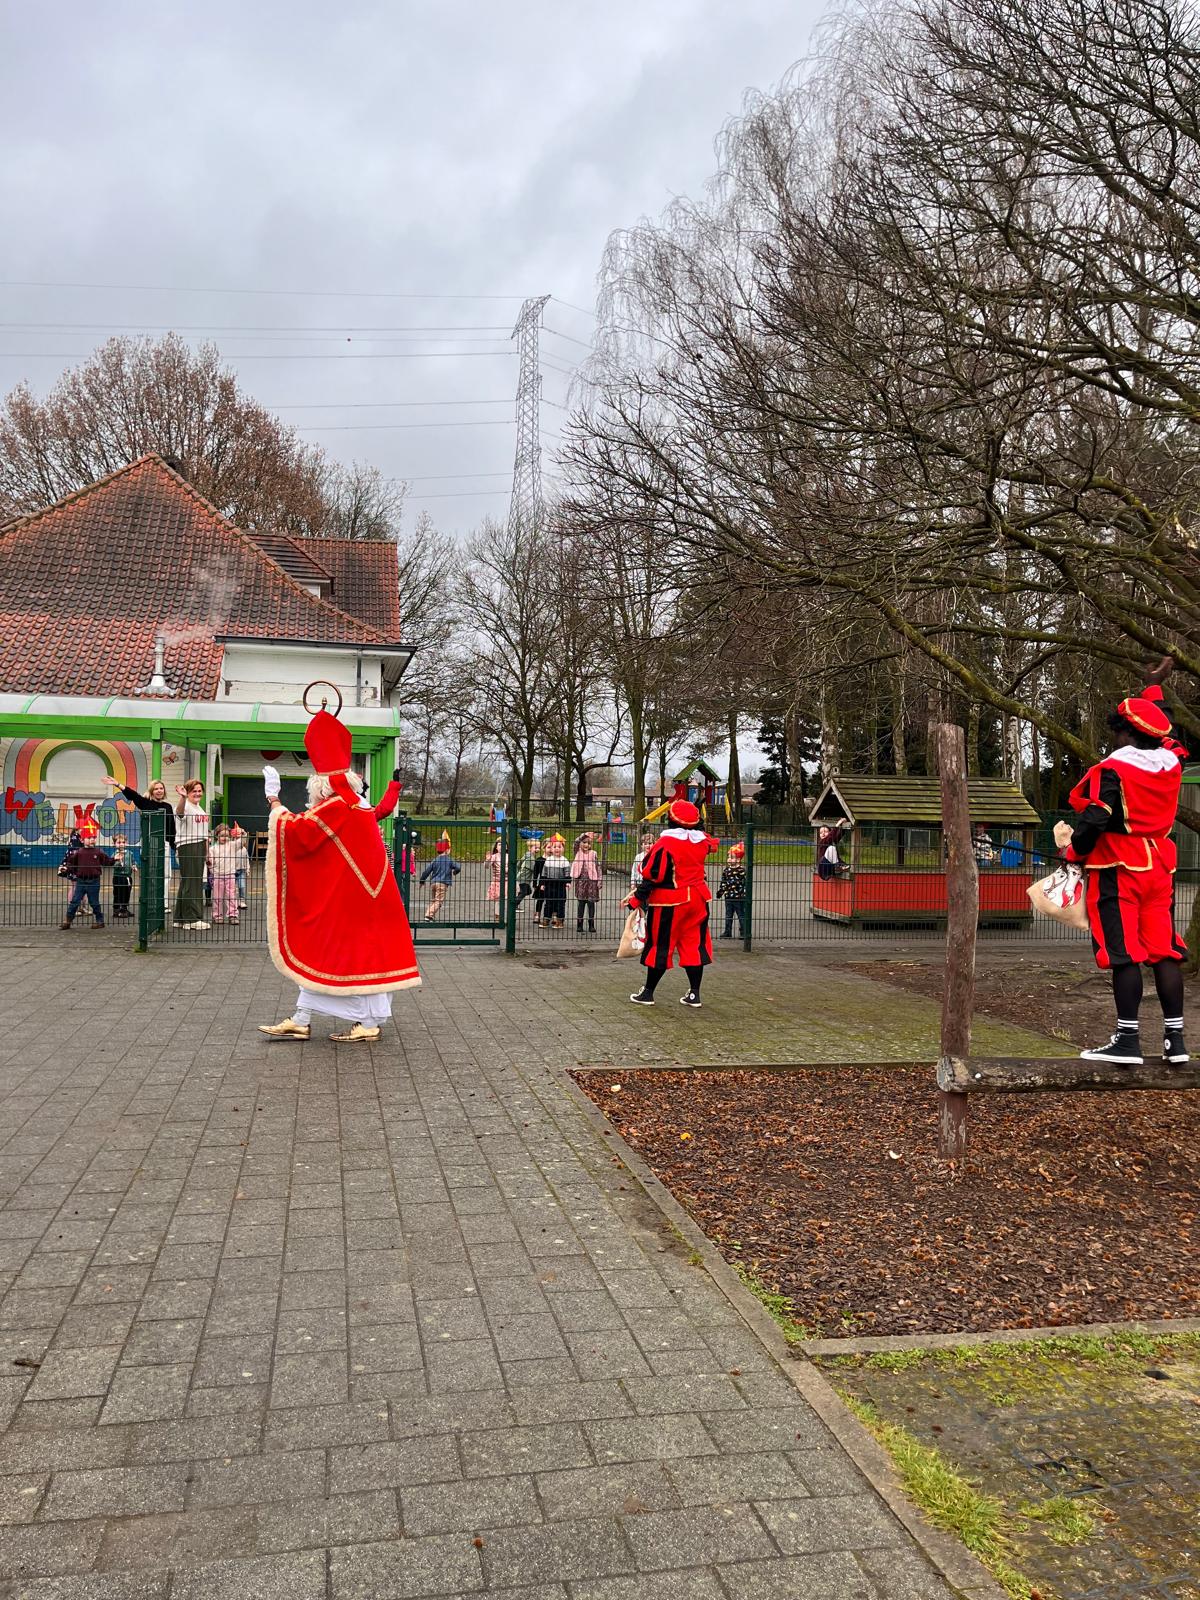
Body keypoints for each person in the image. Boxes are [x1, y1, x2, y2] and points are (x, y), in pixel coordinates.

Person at [257, 707, 420, 1043]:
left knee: (343, 960)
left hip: (351, 905)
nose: (310, 799)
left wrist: (273, 799)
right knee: (356, 961)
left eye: (311, 792)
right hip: (368, 901)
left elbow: (298, 831)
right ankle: (304, 1019)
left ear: (321, 788)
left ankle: (361, 1023)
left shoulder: (337, 807)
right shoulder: (357, 805)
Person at [1062, 679, 1188, 1066]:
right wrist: (1154, 692)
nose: (1114, 738)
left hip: (1119, 865)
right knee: (1163, 951)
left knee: (1123, 954)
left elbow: (1097, 816)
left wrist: (1073, 853)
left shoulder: (1113, 769)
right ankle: (1175, 1041)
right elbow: (1168, 735)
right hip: (1160, 867)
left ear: (1128, 733)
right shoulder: (1172, 763)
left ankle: (1127, 1040)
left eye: (1118, 730)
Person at [628, 798, 718, 1008]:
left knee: (660, 945)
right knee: (694, 944)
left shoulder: (666, 844)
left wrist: (636, 900)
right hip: (698, 900)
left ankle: (648, 993)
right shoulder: (701, 840)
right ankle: (694, 994)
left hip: (671, 902)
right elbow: (705, 835)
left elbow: (652, 875)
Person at [104, 775, 175, 911]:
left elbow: (171, 827)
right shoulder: (145, 803)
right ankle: (152, 902)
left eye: (161, 788)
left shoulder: (168, 806)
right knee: (152, 874)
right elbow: (133, 795)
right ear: (152, 791)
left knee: (166, 875)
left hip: (164, 844)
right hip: (150, 843)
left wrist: (173, 845)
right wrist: (118, 784)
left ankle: (163, 904)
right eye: (156, 789)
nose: (159, 791)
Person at [60, 824, 116, 930]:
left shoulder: (99, 852)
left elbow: (107, 862)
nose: (92, 840)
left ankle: (100, 921)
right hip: (81, 881)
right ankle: (68, 920)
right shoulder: (79, 853)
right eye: (89, 838)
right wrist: (66, 869)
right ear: (82, 839)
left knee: (94, 902)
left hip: (94, 881)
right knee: (75, 901)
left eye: (94, 838)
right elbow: (72, 865)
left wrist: (115, 859)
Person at [173, 781, 210, 929]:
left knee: (187, 881)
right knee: (193, 882)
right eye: (193, 791)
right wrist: (182, 798)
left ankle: (180, 918)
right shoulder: (186, 805)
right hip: (189, 845)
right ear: (187, 792)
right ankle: (192, 918)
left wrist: (207, 852)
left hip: (199, 844)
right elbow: (180, 813)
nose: (197, 794)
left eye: (200, 791)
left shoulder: (198, 807)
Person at [209, 824, 250, 925]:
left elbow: (242, 842)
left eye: (227, 836)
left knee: (231, 896)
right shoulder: (213, 849)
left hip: (230, 875)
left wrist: (243, 833)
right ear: (216, 836)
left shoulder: (232, 845)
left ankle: (233, 915)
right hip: (218, 875)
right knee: (217, 897)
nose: (225, 838)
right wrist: (213, 872)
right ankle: (217, 915)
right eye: (222, 835)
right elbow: (210, 862)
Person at [419, 837, 461, 921]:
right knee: (438, 901)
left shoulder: (435, 860)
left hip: (433, 883)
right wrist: (454, 872)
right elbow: (458, 867)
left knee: (434, 900)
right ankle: (428, 915)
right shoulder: (449, 860)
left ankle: (430, 916)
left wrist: (422, 881)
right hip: (442, 883)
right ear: (446, 850)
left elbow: (426, 871)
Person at [536, 834, 570, 928]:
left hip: (560, 885)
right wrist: (542, 883)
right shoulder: (548, 860)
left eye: (559, 847)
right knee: (548, 903)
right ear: (552, 849)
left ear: (563, 849)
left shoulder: (565, 861)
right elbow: (544, 873)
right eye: (555, 847)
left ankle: (560, 921)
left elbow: (567, 873)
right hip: (549, 885)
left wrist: (568, 882)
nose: (557, 849)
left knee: (560, 903)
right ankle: (546, 919)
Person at [571, 832, 602, 934]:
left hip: (592, 882)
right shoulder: (577, 852)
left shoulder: (593, 854)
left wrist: (599, 880)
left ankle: (591, 924)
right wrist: (583, 834)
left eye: (588, 843)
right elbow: (576, 842)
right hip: (580, 881)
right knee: (581, 903)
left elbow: (598, 867)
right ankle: (579, 924)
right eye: (584, 842)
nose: (586, 845)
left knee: (591, 903)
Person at [716, 841, 747, 939]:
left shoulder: (742, 871)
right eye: (728, 856)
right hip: (728, 897)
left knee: (741, 915)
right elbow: (723, 882)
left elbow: (745, 883)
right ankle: (727, 931)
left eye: (731, 857)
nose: (729, 859)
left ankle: (744, 932)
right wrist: (720, 892)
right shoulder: (726, 870)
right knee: (728, 915)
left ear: (738, 859)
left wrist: (745, 893)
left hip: (739, 897)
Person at [514, 836, 543, 910]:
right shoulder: (531, 858)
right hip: (523, 878)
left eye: (538, 848)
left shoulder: (526, 855)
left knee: (528, 891)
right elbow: (534, 869)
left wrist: (519, 869)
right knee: (524, 892)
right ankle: (514, 904)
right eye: (535, 848)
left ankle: (516, 900)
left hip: (523, 877)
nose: (538, 850)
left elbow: (518, 864)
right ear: (530, 848)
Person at [111, 842, 134, 920]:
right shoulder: (115, 854)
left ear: (126, 843)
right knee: (117, 893)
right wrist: (118, 862)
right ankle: (116, 909)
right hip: (118, 876)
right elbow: (113, 864)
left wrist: (134, 866)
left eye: (123, 842)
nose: (121, 844)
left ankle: (124, 908)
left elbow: (133, 861)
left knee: (126, 892)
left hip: (127, 876)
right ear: (114, 844)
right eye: (118, 842)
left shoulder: (130, 853)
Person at [229, 821, 249, 907]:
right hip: (232, 870)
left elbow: (247, 860)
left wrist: (247, 869)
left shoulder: (244, 850)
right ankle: (234, 901)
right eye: (235, 838)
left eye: (239, 838)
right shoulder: (231, 847)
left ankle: (242, 900)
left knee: (242, 886)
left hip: (241, 870)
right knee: (232, 888)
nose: (237, 840)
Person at [485, 836, 503, 924]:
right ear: (496, 847)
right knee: (498, 900)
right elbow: (486, 867)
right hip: (497, 881)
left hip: (507, 881)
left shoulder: (508, 856)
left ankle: (505, 917)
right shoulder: (494, 856)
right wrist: (487, 860)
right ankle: (497, 917)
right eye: (500, 845)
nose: (502, 846)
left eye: (504, 845)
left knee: (507, 900)